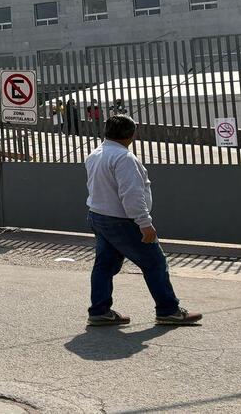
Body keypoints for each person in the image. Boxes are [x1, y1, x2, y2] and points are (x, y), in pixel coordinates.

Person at [85, 114, 202, 327]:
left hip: (98, 215)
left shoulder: (96, 154)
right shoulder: (124, 158)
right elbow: (132, 194)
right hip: (122, 221)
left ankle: (99, 310)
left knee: (104, 265)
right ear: (131, 135)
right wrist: (144, 223)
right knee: (155, 263)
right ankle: (168, 310)